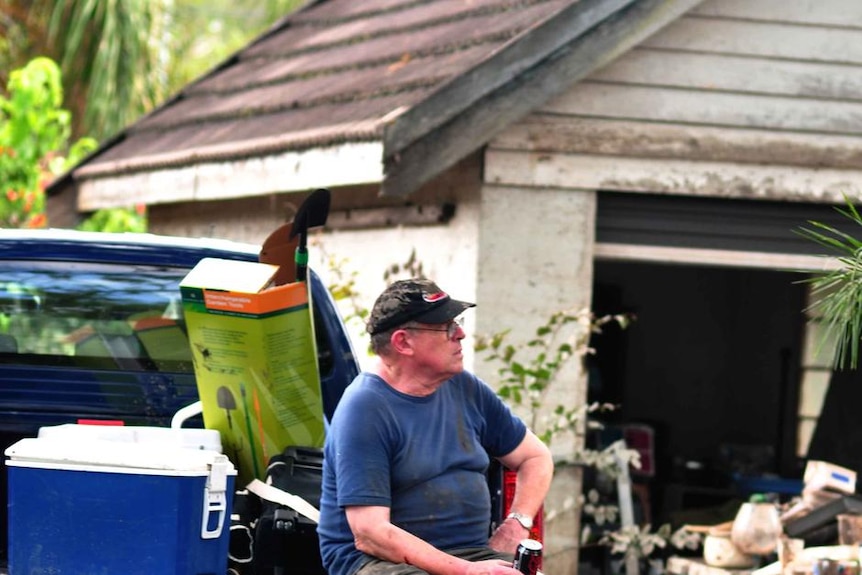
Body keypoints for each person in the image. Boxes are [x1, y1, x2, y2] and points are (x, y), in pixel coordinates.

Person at [318, 278, 554, 575]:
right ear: (403, 342)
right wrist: (466, 571)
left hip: (470, 555)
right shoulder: (365, 407)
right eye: (446, 327)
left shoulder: (466, 388)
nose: (461, 334)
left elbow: (536, 457)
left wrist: (517, 523)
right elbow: (370, 534)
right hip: (381, 563)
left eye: (457, 322)